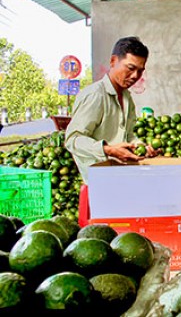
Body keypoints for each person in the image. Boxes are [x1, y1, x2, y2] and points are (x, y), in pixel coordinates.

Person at [65, 36, 156, 225]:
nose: (135, 76)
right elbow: (73, 139)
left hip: (119, 182)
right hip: (98, 186)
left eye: (140, 70)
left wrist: (140, 146)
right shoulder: (95, 96)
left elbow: (129, 135)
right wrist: (107, 149)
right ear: (113, 61)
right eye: (130, 68)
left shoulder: (127, 98)